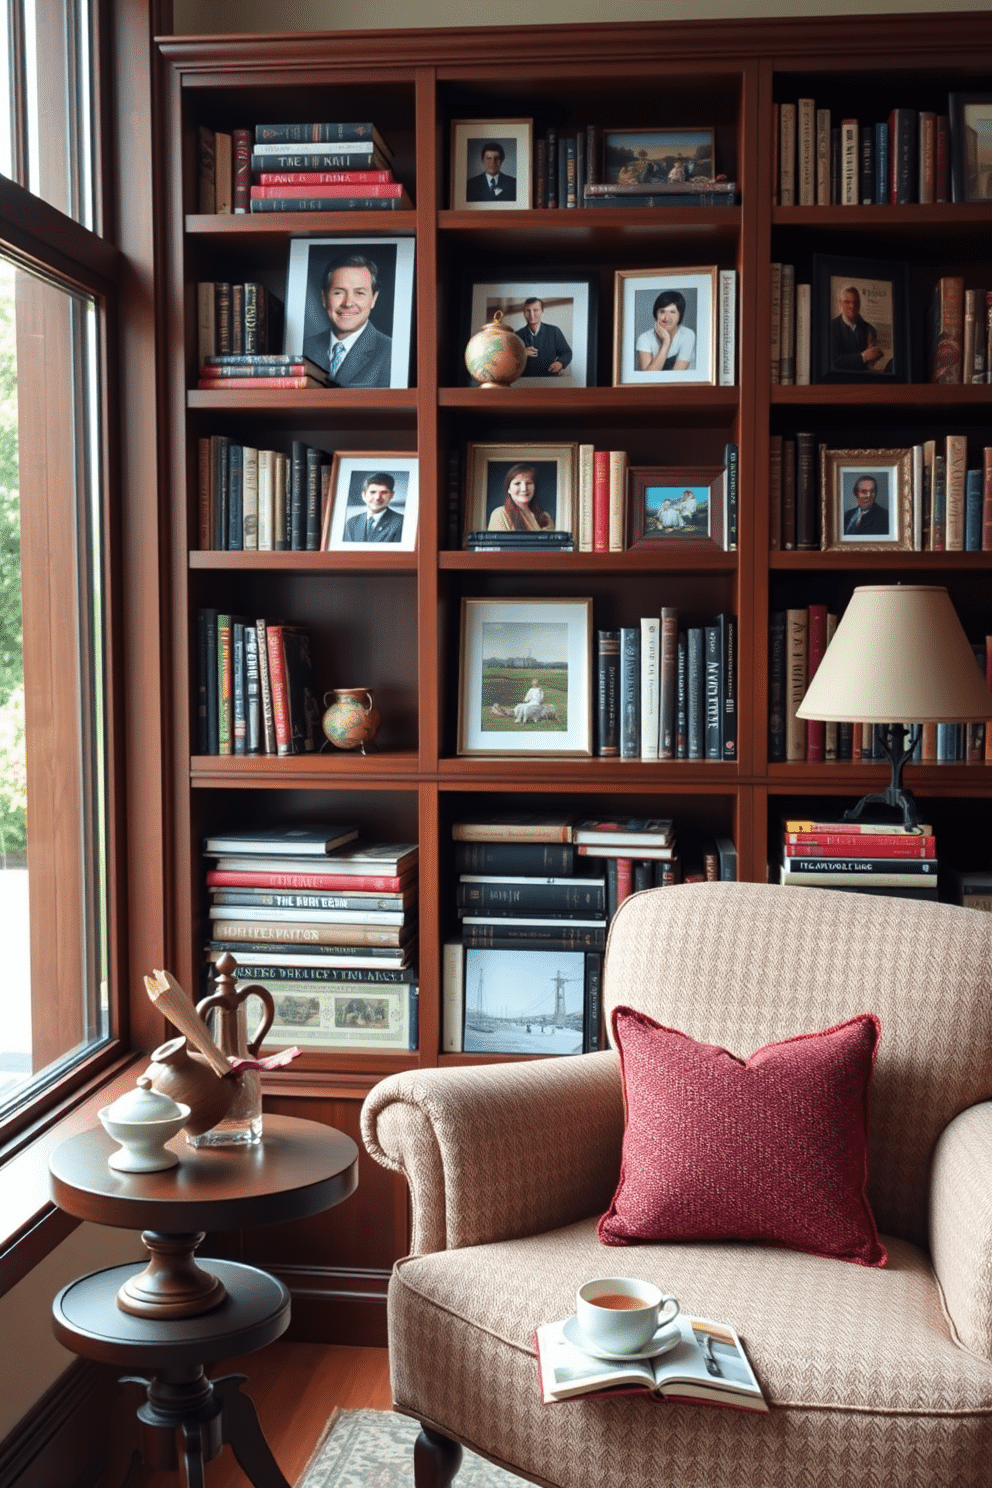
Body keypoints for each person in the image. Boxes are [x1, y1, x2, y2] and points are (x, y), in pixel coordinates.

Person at [302, 255, 392, 387]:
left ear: (374, 298)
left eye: (359, 293)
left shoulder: (390, 352)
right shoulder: (305, 348)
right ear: (323, 298)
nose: (348, 303)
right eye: (338, 293)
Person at [635, 289, 695, 372]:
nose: (667, 318)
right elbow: (648, 376)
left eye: (672, 312)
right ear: (656, 314)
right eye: (662, 311)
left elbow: (677, 374)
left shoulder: (688, 334)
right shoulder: (644, 338)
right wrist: (666, 342)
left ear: (680, 315)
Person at [830, 285, 884, 373]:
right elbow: (835, 361)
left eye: (856, 302)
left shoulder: (869, 329)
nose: (852, 306)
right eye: (847, 302)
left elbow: (872, 363)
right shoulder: (832, 327)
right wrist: (864, 356)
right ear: (840, 303)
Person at [487, 463, 555, 532]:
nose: (524, 489)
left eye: (529, 483)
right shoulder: (500, 514)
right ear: (509, 489)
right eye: (517, 483)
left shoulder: (546, 517)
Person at [516, 297, 572, 377]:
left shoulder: (554, 331)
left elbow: (567, 353)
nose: (532, 315)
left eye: (535, 310)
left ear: (542, 312)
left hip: (551, 381)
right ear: (524, 313)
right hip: (526, 382)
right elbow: (509, 361)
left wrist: (560, 363)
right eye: (528, 311)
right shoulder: (517, 335)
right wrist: (521, 354)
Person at [344, 472, 405, 542]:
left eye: (384, 492)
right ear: (364, 495)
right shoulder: (351, 523)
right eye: (373, 492)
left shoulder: (402, 523)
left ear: (391, 495)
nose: (377, 497)